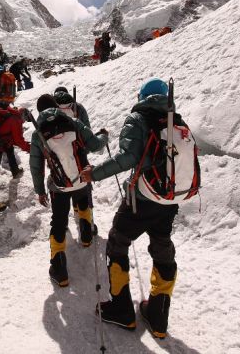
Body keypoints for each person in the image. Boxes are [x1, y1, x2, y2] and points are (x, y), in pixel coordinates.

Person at [80, 78, 179, 338]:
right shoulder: (175, 120)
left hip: (142, 199)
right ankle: (158, 318)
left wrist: (95, 174)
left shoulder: (138, 119)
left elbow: (127, 158)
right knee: (162, 247)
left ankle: (121, 310)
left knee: (117, 242)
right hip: (168, 199)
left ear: (142, 96)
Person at [30, 94, 108, 287]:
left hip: (59, 185)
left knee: (58, 221)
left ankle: (60, 270)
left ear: (39, 112)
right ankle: (87, 235)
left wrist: (40, 191)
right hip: (82, 179)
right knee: (82, 203)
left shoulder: (38, 134)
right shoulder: (74, 122)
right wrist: (104, 135)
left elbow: (35, 166)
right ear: (56, 107)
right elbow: (96, 145)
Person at [0, 102, 30, 211]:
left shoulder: (11, 113)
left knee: (10, 149)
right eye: (25, 120)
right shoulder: (16, 120)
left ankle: (15, 171)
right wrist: (30, 149)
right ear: (23, 116)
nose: (24, 122)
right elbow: (18, 140)